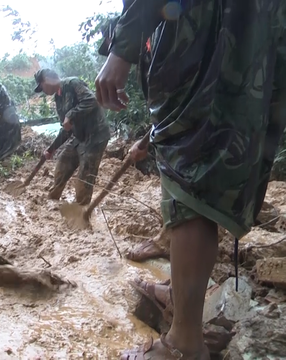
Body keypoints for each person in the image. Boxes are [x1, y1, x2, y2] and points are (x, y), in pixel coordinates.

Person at [94, 0, 286, 358]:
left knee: (191, 175)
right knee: (209, 158)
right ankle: (183, 299)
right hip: (257, 29)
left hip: (210, 25)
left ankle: (183, 342)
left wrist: (121, 51)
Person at [33, 68, 111, 204]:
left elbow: (92, 100)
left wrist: (71, 115)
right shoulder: (58, 99)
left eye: (42, 87)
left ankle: (81, 211)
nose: (43, 91)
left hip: (95, 136)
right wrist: (51, 149)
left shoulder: (72, 83)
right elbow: (66, 128)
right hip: (78, 137)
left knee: (84, 179)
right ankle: (52, 202)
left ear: (47, 80)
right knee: (61, 167)